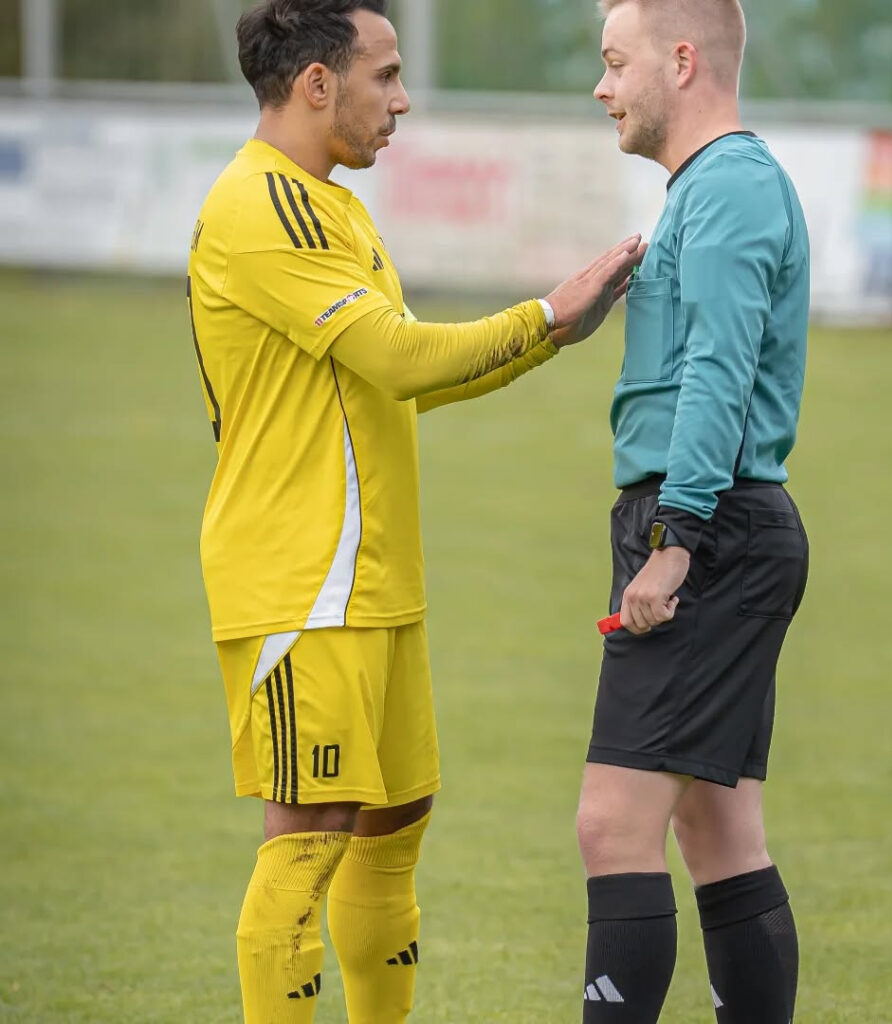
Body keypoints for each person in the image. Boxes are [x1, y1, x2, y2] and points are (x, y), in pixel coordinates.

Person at [186, 2, 643, 1021]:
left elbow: (388, 387)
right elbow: (397, 359)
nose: (402, 100)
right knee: (310, 834)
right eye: (384, 75)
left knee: (394, 822)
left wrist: (548, 335)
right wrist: (544, 314)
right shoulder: (260, 204)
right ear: (317, 83)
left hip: (374, 578)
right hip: (302, 579)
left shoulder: (333, 206)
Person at [576, 1, 811, 1022]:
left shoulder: (730, 185)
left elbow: (721, 368)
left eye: (614, 62)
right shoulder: (709, 187)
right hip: (715, 525)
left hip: (705, 532)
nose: (602, 87)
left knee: (612, 826)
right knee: (716, 830)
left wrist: (674, 541)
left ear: (680, 61)